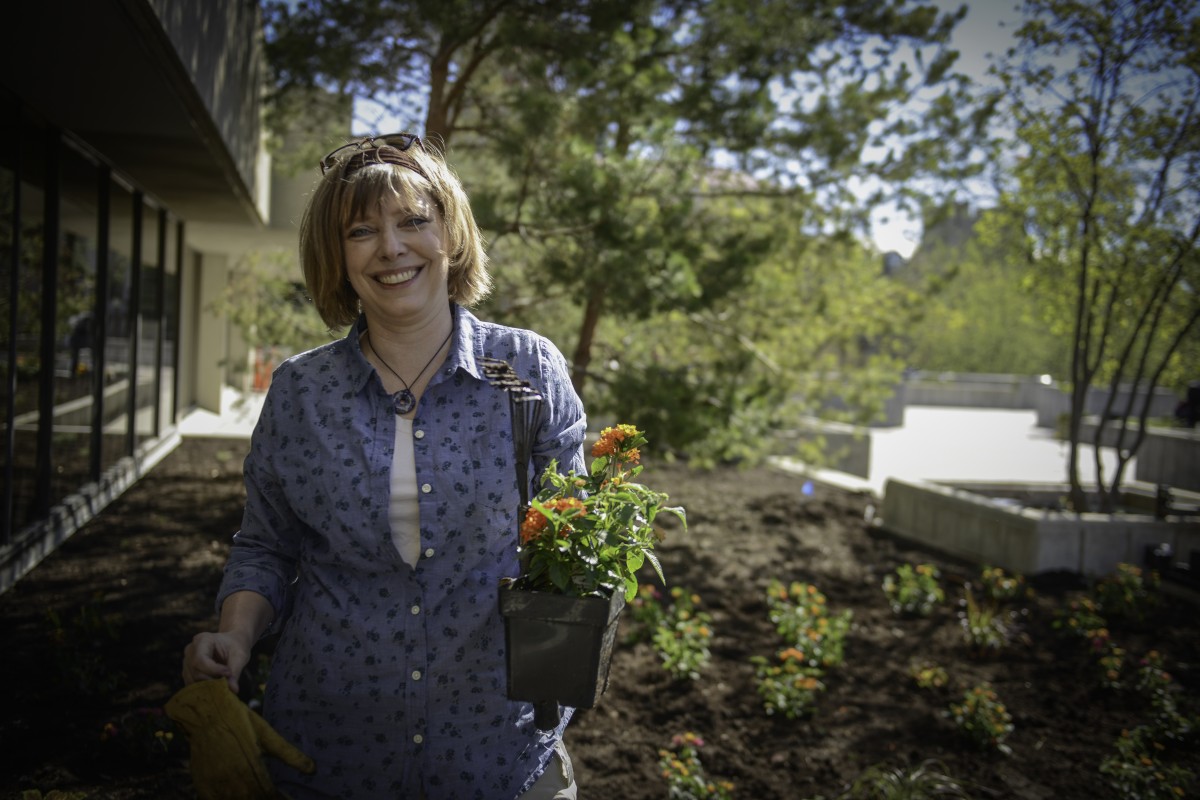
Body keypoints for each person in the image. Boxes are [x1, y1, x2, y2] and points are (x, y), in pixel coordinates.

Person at [181, 133, 587, 799]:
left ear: (450, 234)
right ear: (337, 257)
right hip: (329, 753)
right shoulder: (302, 392)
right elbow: (266, 547)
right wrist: (234, 638)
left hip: (498, 753)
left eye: (413, 221)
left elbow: (577, 539)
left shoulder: (525, 372)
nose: (391, 248)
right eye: (361, 231)